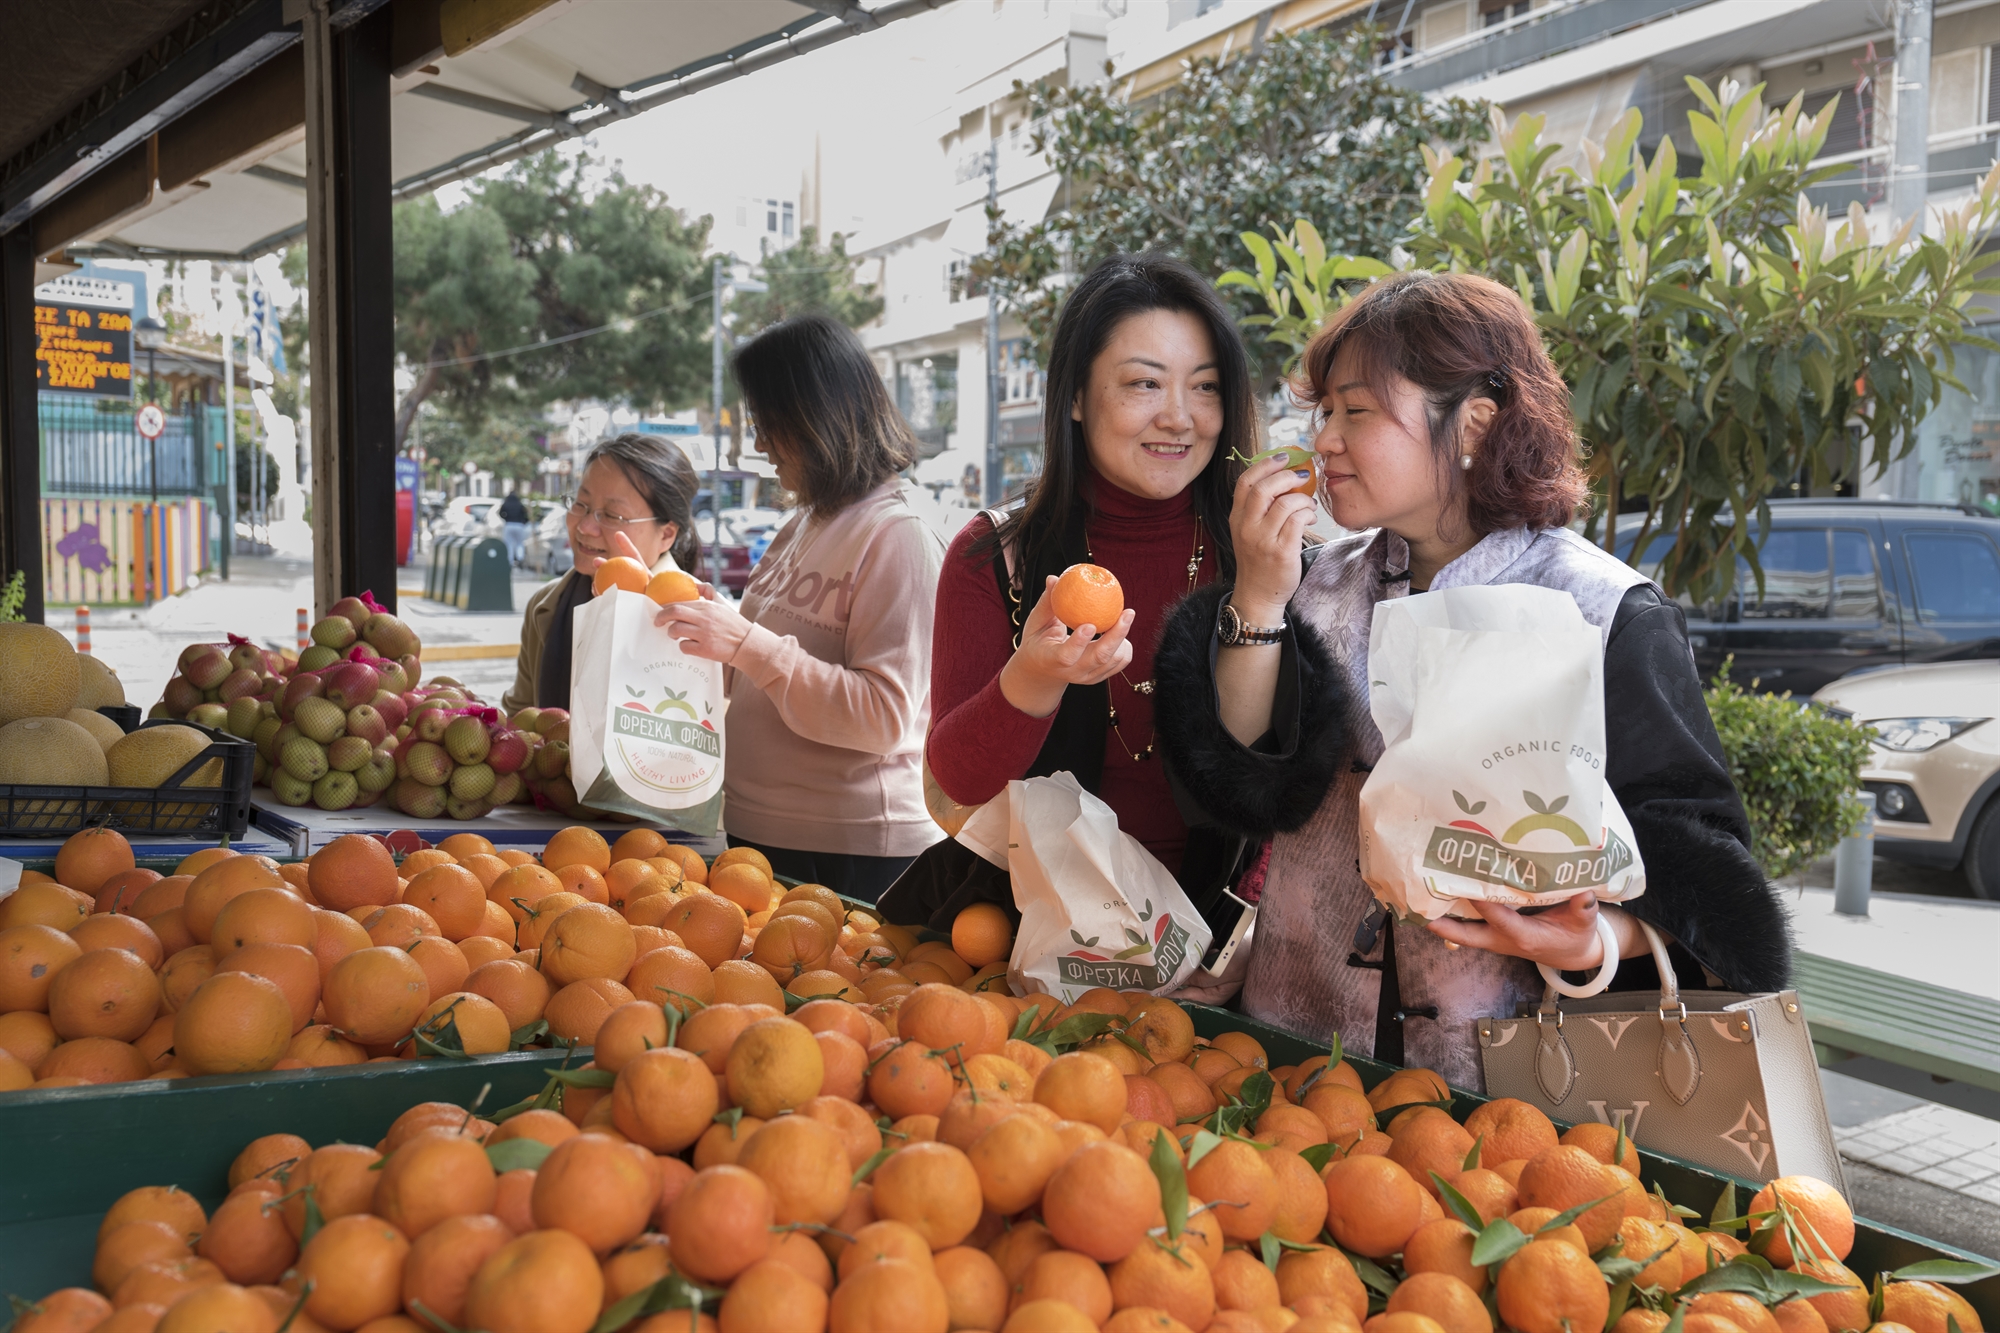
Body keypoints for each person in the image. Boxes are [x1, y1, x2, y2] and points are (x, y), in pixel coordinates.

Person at [1151, 270, 1787, 1091]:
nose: (1325, 441)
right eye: (1324, 413)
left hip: (1505, 1096)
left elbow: (1705, 873)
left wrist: (1597, 940)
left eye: (1357, 411)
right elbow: (1239, 784)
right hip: (1293, 1055)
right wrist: (1259, 596)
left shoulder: (1600, 608)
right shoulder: (1316, 582)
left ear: (1474, 424)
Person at [899, 253, 1261, 931]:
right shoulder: (997, 555)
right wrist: (1034, 676)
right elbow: (956, 782)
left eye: (1206, 386)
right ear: (1074, 397)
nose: (1180, 417)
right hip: (1035, 935)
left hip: (1228, 944)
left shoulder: (1264, 554)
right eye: (1144, 384)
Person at [651, 313, 943, 902]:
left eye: (766, 424)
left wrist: (744, 643)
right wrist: (712, 627)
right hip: (763, 829)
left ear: (816, 418)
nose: (758, 444)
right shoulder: (806, 522)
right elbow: (758, 671)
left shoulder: (900, 535)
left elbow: (882, 717)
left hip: (854, 847)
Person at [503, 434, 699, 715]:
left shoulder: (696, 618)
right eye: (580, 504)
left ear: (666, 534)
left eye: (612, 515)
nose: (585, 527)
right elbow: (521, 716)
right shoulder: (547, 604)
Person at [498, 489, 531, 568]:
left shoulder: (506, 504)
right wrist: (524, 521)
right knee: (520, 543)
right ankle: (520, 558)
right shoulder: (520, 504)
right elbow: (526, 515)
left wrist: (506, 518)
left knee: (509, 543)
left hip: (509, 524)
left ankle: (510, 561)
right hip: (519, 525)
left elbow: (500, 513)